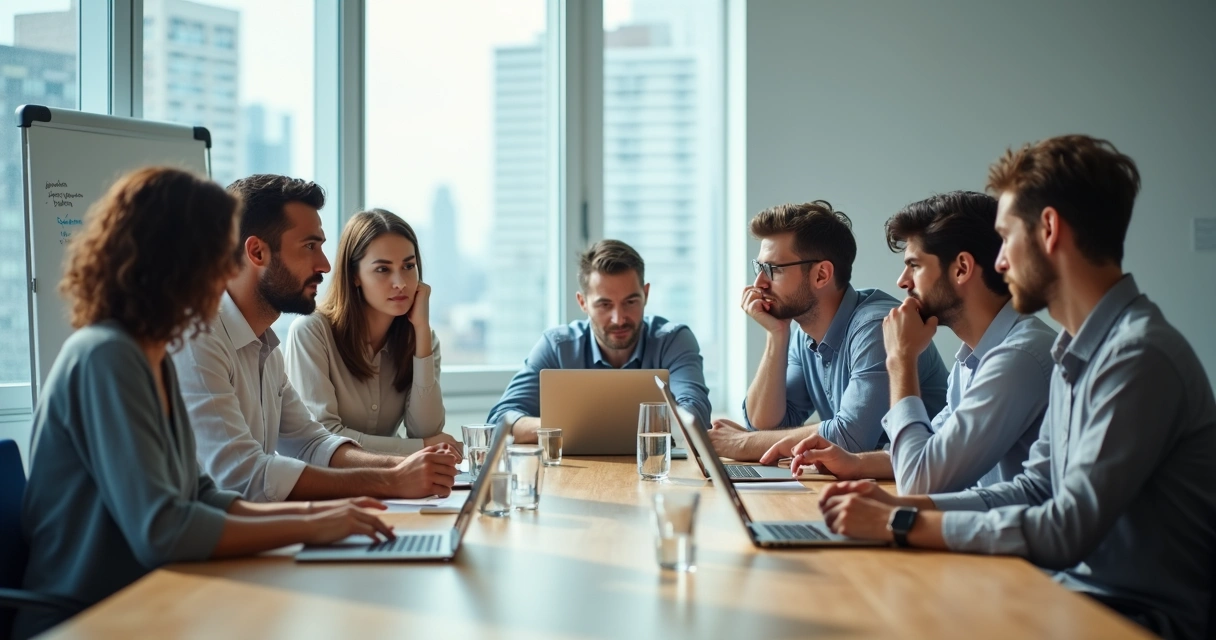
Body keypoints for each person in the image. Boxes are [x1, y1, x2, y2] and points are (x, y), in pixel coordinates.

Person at [818, 135, 1216, 639]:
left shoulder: (1138, 356)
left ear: (1048, 229)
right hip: (1063, 593)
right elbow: (1035, 490)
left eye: (1005, 238)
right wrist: (898, 506)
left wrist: (901, 522)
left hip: (1128, 618)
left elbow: (1066, 529)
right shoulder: (1075, 350)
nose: (999, 262)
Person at [14, 168, 394, 640]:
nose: (226, 272)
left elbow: (204, 497)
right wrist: (309, 528)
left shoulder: (153, 355)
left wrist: (321, 517)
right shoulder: (107, 357)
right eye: (216, 256)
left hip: (154, 600)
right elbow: (164, 530)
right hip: (91, 618)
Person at [174, 174, 459, 502]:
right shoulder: (198, 338)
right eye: (310, 246)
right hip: (201, 547)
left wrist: (401, 470)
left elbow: (313, 443)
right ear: (256, 253)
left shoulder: (265, 345)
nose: (325, 265)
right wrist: (390, 481)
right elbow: (243, 476)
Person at [783, 191, 1055, 494]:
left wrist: (901, 359)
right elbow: (933, 451)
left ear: (962, 268)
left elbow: (919, 479)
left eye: (915, 265)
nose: (902, 281)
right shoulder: (973, 360)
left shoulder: (1018, 357)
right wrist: (855, 463)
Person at [709, 201, 949, 461]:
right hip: (880, 481)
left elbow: (850, 438)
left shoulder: (875, 327)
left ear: (822, 275)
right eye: (759, 267)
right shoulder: (803, 333)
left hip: (928, 487)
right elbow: (766, 427)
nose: (758, 283)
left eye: (773, 269)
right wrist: (776, 335)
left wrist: (742, 444)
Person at [487, 239, 711, 443]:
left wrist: (587, 427)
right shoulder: (557, 346)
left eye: (630, 302)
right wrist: (560, 427)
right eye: (605, 305)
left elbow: (695, 416)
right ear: (583, 302)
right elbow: (500, 421)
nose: (619, 318)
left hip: (658, 475)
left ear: (646, 294)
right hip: (574, 480)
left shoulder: (673, 340)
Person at [285, 209, 459, 457]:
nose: (400, 282)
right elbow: (323, 437)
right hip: (328, 488)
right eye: (383, 269)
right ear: (355, 275)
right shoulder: (312, 333)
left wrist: (421, 331)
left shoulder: (424, 340)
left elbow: (425, 430)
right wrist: (421, 448)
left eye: (408, 266)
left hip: (395, 485)